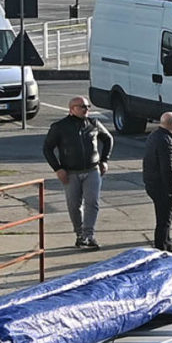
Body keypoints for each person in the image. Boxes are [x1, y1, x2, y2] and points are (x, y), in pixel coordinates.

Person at [40, 96, 114, 250]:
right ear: (72, 109)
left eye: (87, 106)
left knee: (92, 202)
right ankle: (79, 234)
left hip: (92, 170)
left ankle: (89, 235)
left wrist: (104, 160)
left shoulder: (93, 124)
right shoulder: (60, 127)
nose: (86, 109)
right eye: (82, 106)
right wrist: (57, 168)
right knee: (74, 205)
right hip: (70, 172)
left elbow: (108, 139)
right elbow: (47, 148)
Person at [142, 112, 172, 252]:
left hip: (152, 184)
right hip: (162, 187)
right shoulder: (167, 141)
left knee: (163, 218)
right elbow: (168, 168)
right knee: (165, 219)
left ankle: (165, 244)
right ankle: (163, 246)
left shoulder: (154, 136)